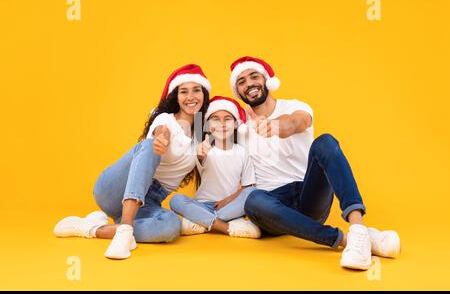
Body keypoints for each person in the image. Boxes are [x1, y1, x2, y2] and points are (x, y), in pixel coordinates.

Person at [229, 56, 400, 270]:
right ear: (238, 91)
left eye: (254, 76)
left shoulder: (295, 106)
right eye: (241, 81)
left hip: (308, 196)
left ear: (266, 81)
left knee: (325, 142)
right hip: (273, 207)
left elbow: (297, 122)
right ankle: (353, 241)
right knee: (253, 200)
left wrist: (278, 126)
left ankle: (358, 227)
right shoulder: (241, 129)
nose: (249, 84)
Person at [53, 64, 211, 260]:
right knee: (149, 146)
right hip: (115, 187)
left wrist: (204, 154)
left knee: (171, 227)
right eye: (183, 91)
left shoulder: (201, 132)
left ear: (204, 93)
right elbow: (161, 131)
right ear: (176, 97)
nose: (191, 97)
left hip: (150, 199)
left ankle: (94, 228)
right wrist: (161, 138)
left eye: (196, 90)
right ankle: (125, 230)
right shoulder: (165, 119)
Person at [170, 96, 260, 238]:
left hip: (228, 207)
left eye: (228, 119)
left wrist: (227, 200)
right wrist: (201, 152)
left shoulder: (242, 152)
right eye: (216, 119)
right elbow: (201, 158)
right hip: (203, 205)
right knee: (176, 200)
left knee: (253, 193)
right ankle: (226, 226)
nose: (222, 124)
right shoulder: (203, 149)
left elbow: (247, 187)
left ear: (236, 124)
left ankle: (200, 222)